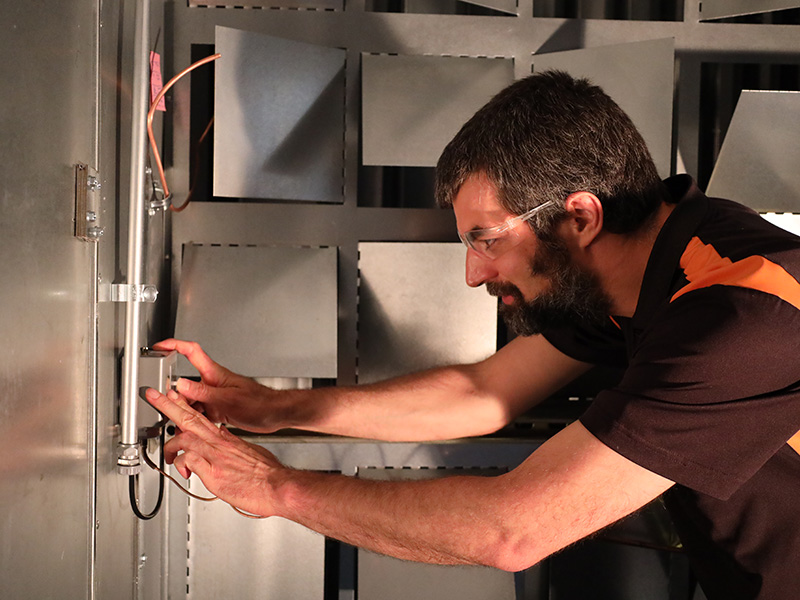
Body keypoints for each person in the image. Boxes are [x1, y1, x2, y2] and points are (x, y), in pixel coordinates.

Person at [145, 70, 800, 599]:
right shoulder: (649, 268)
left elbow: (513, 530)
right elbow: (483, 392)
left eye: (485, 241)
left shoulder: (743, 316)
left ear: (580, 216)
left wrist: (276, 489)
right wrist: (277, 410)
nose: (472, 273)